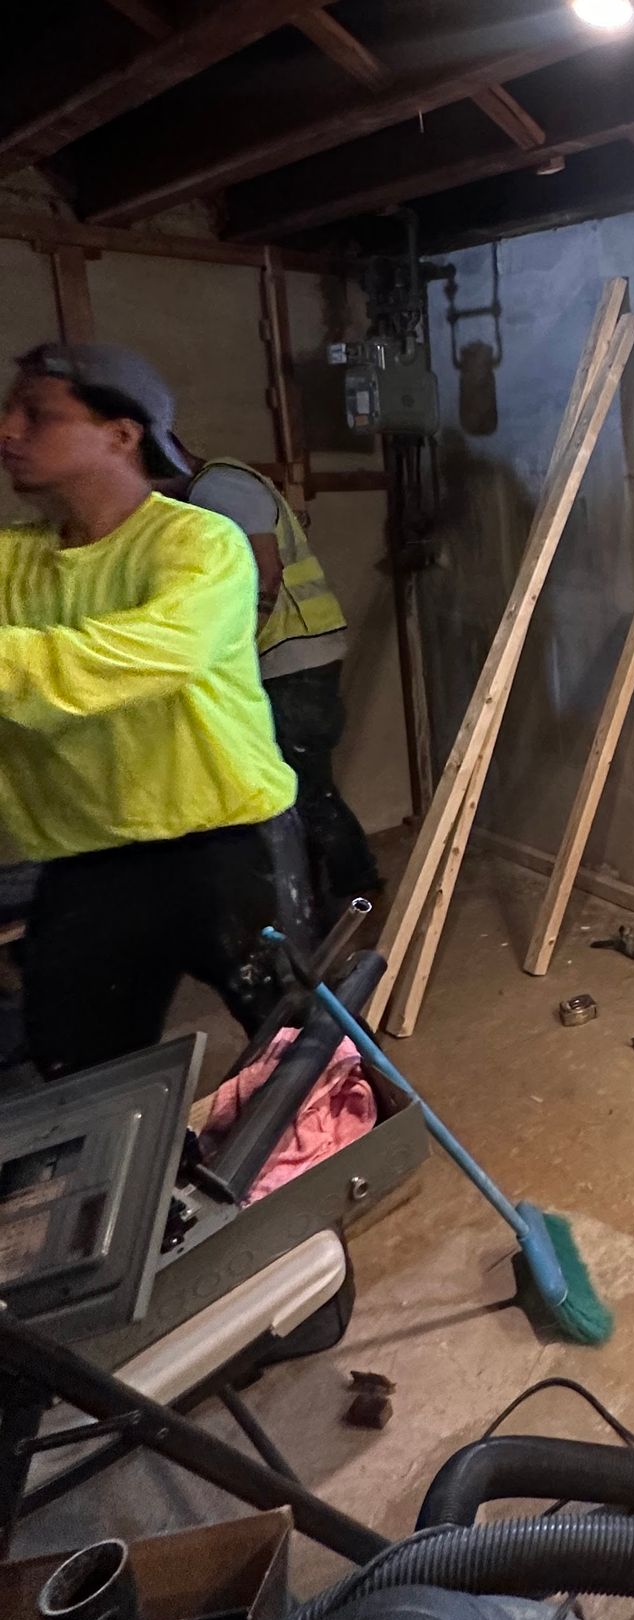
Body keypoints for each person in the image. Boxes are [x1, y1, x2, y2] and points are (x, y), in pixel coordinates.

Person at [0, 342, 312, 1078]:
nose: (8, 431)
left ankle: (337, 1165)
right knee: (81, 1067)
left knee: (301, 1044)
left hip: (225, 843)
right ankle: (141, 1185)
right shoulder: (13, 560)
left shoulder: (198, 543)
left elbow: (141, 659)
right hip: (85, 858)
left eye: (37, 415)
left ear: (121, 434)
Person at [182, 440, 382, 921]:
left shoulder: (217, 488)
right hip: (300, 654)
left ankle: (362, 904)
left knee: (309, 792)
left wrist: (232, 654)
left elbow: (265, 576)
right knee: (301, 792)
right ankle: (328, 905)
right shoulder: (221, 482)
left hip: (293, 658)